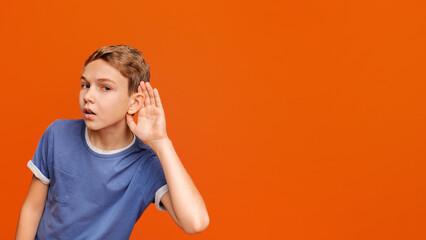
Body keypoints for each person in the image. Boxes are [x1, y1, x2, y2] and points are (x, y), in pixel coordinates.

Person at [15, 45, 210, 239]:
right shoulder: (57, 134)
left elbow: (196, 222)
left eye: (105, 88)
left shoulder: (145, 165)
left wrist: (161, 141)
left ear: (134, 102)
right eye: (85, 85)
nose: (88, 96)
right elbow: (32, 208)